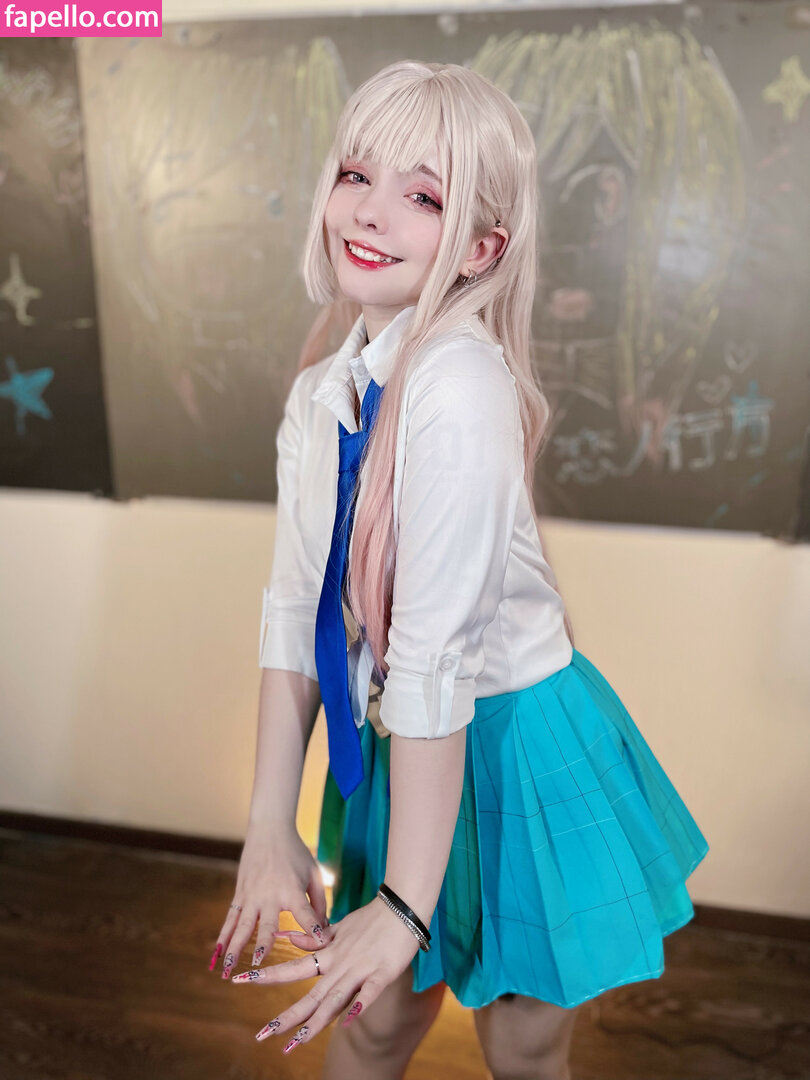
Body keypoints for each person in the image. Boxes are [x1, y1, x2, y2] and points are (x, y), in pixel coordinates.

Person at [208, 60, 710, 1080]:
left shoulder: (461, 383)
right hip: (402, 740)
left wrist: (403, 907)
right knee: (373, 1023)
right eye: (358, 175)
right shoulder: (320, 394)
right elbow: (296, 611)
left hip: (512, 743)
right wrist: (266, 826)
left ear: (483, 247)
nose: (371, 211)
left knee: (523, 1043)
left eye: (423, 196)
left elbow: (435, 660)